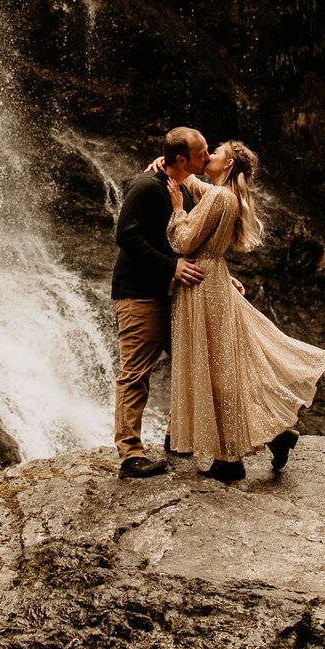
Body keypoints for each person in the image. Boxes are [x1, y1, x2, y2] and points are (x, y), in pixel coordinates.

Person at [163, 140, 325, 483]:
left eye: (216, 152)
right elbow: (201, 186)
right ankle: (276, 436)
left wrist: (177, 207)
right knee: (225, 368)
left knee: (217, 371)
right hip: (215, 280)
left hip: (202, 285)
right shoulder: (226, 195)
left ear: (227, 165)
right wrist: (179, 171)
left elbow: (183, 243)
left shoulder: (218, 197)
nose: (208, 155)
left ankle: (230, 461)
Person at [110, 126, 207, 478]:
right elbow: (127, 234)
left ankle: (175, 435)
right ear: (181, 159)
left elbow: (183, 242)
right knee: (135, 373)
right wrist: (171, 267)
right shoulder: (146, 186)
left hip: (169, 294)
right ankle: (130, 455)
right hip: (138, 294)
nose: (207, 158)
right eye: (201, 154)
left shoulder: (181, 187)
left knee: (189, 362)